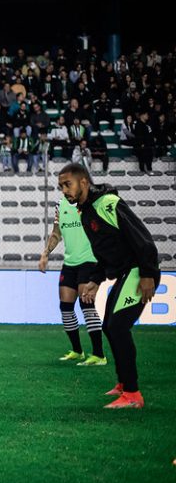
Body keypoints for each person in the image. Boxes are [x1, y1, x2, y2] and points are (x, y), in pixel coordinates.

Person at [58, 163, 160, 409]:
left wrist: (147, 273)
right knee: (110, 327)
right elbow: (105, 253)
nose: (64, 191)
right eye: (61, 186)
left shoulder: (107, 203)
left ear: (83, 182)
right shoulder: (86, 211)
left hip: (138, 271)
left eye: (67, 184)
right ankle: (124, 385)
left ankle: (133, 394)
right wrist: (95, 279)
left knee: (117, 327)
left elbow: (142, 238)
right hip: (127, 272)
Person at [38, 189, 105, 366]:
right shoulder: (60, 205)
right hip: (70, 263)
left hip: (90, 261)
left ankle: (99, 354)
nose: (66, 189)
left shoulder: (91, 204)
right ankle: (77, 350)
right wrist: (45, 254)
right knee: (65, 307)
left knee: (86, 304)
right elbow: (56, 233)